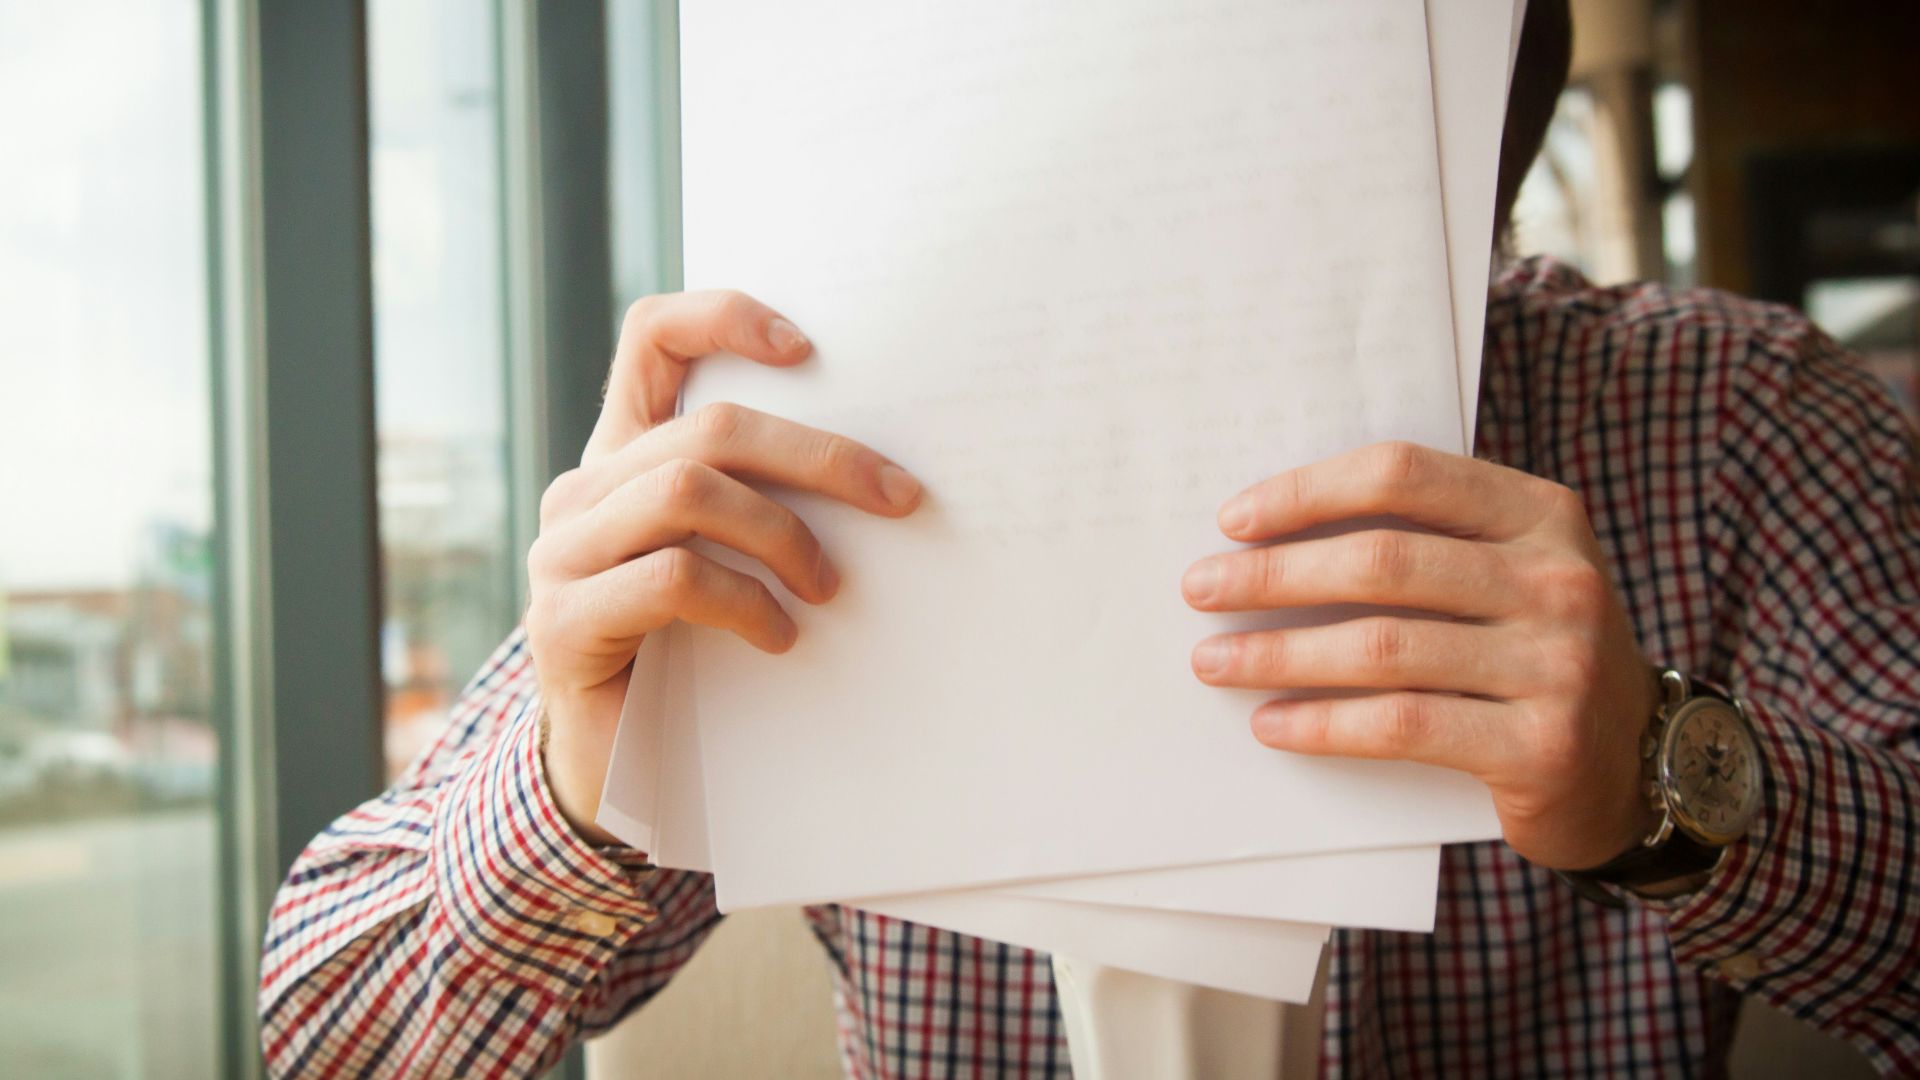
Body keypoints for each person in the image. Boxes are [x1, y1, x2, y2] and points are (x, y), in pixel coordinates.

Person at [258, 3, 1919, 1076]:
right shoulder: (811, 428)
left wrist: (1667, 781)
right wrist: (570, 783)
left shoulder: (1725, 418)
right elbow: (326, 1039)